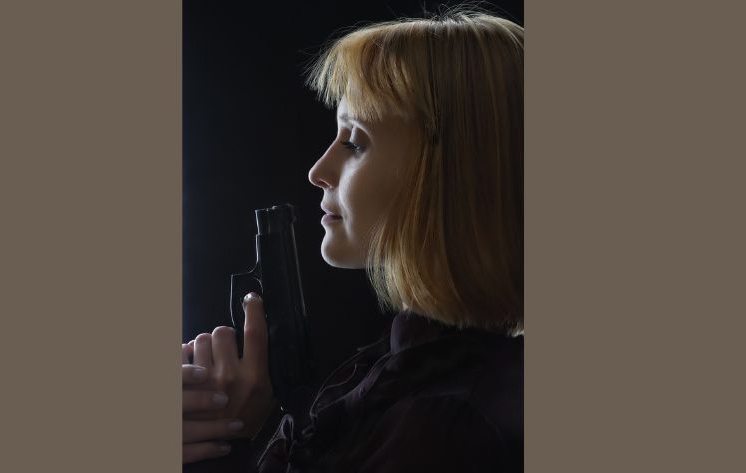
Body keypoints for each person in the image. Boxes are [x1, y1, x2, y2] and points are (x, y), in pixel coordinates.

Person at [182, 8, 524, 472]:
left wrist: (233, 445)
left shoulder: (446, 425)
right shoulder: (412, 375)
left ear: (447, 174)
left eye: (355, 142)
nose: (317, 171)